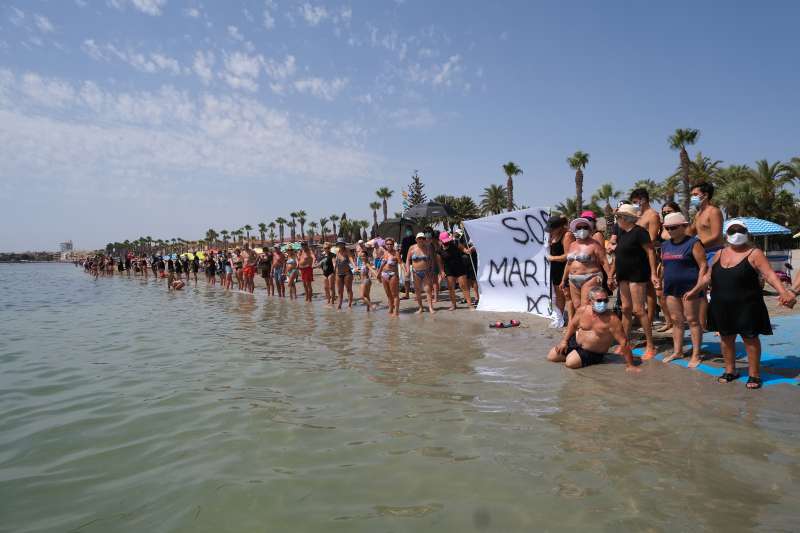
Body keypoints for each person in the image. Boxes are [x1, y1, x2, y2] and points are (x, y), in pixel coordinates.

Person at [685, 219, 796, 389]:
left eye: (740, 230)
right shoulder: (719, 254)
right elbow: (707, 277)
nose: (736, 233)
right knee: (726, 337)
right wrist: (694, 291)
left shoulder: (754, 253)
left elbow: (769, 275)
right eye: (733, 230)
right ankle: (730, 370)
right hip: (721, 304)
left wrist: (783, 292)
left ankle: (754, 374)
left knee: (750, 339)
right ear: (726, 233)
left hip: (748, 305)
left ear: (746, 233)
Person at [547, 286, 639, 372]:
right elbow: (573, 325)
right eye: (599, 301)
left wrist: (630, 365)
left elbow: (624, 342)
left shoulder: (612, 320)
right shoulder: (582, 311)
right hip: (575, 342)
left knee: (570, 363)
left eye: (605, 300)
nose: (602, 303)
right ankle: (574, 355)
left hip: (593, 352)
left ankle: (582, 358)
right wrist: (564, 341)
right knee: (552, 356)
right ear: (590, 301)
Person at [660, 212, 707, 366]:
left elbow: (703, 266)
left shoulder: (693, 243)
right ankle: (678, 351)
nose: (670, 230)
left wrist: (698, 287)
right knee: (676, 321)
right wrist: (659, 279)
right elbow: (664, 266)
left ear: (684, 226)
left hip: (690, 288)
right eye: (667, 228)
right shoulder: (665, 245)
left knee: (693, 321)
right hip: (671, 288)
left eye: (673, 227)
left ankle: (696, 354)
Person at [614, 203, 658, 358]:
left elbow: (651, 252)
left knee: (638, 310)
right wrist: (613, 273)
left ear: (626, 218)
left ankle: (650, 345)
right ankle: (625, 343)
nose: (617, 219)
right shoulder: (622, 233)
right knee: (625, 308)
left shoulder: (640, 232)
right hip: (623, 274)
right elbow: (618, 255)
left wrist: (653, 273)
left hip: (637, 274)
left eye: (618, 216)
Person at [688, 181, 725, 330]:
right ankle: (703, 324)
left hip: (714, 253)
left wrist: (697, 245)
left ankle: (722, 323)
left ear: (706, 195)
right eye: (692, 195)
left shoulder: (714, 211)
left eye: (695, 195)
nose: (693, 198)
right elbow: (691, 232)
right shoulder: (698, 213)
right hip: (701, 254)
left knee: (718, 290)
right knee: (701, 290)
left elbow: (716, 235)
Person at [561, 217, 614, 307]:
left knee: (586, 305)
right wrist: (563, 280)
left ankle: (590, 321)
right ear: (575, 229)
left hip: (590, 277)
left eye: (585, 227)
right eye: (579, 227)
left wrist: (610, 277)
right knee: (577, 306)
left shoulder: (594, 244)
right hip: (573, 279)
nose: (582, 230)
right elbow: (569, 263)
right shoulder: (572, 245)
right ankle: (582, 321)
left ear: (589, 229)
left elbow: (604, 261)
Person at [630, 188, 661, 329]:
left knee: (649, 288)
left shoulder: (652, 215)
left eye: (635, 202)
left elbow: (653, 239)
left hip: (647, 255)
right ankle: (640, 316)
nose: (634, 205)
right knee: (638, 288)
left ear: (643, 200)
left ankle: (650, 318)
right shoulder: (638, 215)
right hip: (636, 256)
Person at [655, 201, 682, 333]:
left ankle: (677, 322)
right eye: (664, 211)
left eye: (669, 211)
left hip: (677, 263)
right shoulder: (662, 226)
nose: (666, 213)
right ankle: (668, 321)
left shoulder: (680, 225)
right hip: (662, 262)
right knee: (660, 294)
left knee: (676, 295)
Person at [436, 231, 474, 310]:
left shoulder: (456, 243)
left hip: (460, 267)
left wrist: (468, 250)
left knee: (463, 286)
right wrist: (442, 271)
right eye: (445, 241)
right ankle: (454, 305)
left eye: (447, 241)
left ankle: (470, 305)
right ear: (440, 241)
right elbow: (439, 262)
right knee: (450, 288)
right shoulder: (439, 250)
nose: (447, 242)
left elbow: (465, 250)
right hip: (449, 270)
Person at [546, 215, 569, 326]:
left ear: (559, 227)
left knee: (567, 296)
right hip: (555, 269)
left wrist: (553, 258)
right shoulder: (553, 235)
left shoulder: (567, 235)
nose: (551, 231)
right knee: (558, 295)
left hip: (564, 269)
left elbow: (569, 255)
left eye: (552, 229)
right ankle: (560, 317)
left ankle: (570, 321)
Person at [405, 232, 436, 314]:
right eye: (419, 238)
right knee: (417, 291)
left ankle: (430, 307)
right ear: (416, 239)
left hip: (426, 272)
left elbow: (432, 260)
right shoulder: (412, 248)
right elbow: (407, 260)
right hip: (415, 273)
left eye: (423, 238)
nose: (421, 240)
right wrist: (407, 270)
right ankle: (420, 308)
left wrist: (432, 270)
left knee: (428, 290)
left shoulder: (428, 248)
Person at [378, 238, 401, 316]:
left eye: (391, 244)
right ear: (385, 245)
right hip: (384, 274)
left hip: (392, 274)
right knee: (388, 294)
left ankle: (396, 312)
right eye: (387, 244)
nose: (389, 245)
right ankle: (391, 309)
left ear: (393, 245)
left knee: (395, 294)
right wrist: (378, 274)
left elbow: (401, 263)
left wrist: (406, 272)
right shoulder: (385, 253)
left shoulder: (396, 253)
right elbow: (382, 264)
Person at [334, 238, 355, 309]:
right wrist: (334, 272)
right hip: (338, 273)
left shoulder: (347, 251)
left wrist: (355, 266)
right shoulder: (337, 252)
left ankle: (349, 305)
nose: (340, 244)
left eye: (342, 243)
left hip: (347, 273)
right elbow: (335, 263)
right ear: (338, 244)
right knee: (339, 290)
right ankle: (339, 305)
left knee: (348, 289)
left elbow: (351, 258)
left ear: (343, 244)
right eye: (339, 243)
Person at [400, 227, 415, 300]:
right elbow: (402, 250)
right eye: (407, 231)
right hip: (405, 261)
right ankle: (407, 294)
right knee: (406, 278)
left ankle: (416, 293)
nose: (408, 232)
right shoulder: (404, 239)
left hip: (414, 261)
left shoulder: (415, 239)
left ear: (412, 231)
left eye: (409, 230)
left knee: (415, 279)